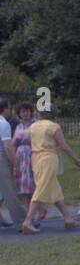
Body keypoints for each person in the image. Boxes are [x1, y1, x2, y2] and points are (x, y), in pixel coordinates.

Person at [20, 110, 80, 233]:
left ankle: (68, 219)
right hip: (48, 157)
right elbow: (64, 146)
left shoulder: (33, 126)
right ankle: (27, 221)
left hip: (35, 158)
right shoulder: (53, 126)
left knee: (54, 189)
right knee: (42, 188)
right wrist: (76, 160)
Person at [0, 97, 25, 228]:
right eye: (9, 108)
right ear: (5, 109)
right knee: (10, 192)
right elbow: (8, 147)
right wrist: (15, 164)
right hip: (1, 158)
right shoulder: (4, 124)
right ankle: (22, 222)